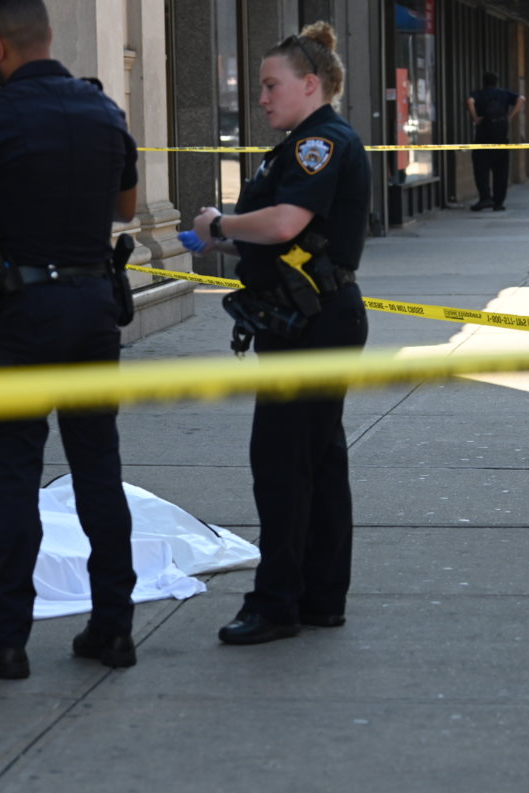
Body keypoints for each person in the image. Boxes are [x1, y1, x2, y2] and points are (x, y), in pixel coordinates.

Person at [0, 0, 139, 680]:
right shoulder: (104, 111)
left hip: (20, 314)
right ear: (47, 38)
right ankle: (114, 626)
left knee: (14, 478)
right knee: (97, 470)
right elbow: (127, 207)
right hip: (92, 306)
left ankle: (8, 638)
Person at [188, 21, 370, 646]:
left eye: (271, 85)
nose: (260, 97)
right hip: (311, 318)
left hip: (314, 323)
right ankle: (320, 597)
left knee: (283, 466)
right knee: (317, 462)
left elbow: (286, 222)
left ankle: (277, 604)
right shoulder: (307, 141)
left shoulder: (316, 144)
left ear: (310, 84)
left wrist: (220, 224)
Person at [465, 71, 523, 211]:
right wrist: (510, 116)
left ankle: (485, 198)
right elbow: (522, 99)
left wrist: (475, 118)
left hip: (483, 139)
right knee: (501, 171)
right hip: (501, 139)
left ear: (483, 82)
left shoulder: (479, 94)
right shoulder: (504, 93)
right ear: (496, 82)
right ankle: (499, 202)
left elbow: (469, 101)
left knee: (481, 170)